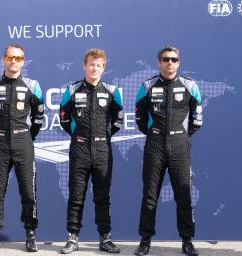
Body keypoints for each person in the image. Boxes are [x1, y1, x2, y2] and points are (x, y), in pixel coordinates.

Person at [134, 45, 203, 256]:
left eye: (173, 59)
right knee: (150, 194)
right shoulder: (146, 86)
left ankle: (187, 241)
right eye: (165, 59)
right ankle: (145, 240)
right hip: (154, 145)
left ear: (179, 62)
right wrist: (157, 133)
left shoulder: (190, 86)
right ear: (159, 62)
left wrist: (180, 135)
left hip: (180, 146)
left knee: (183, 194)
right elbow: (140, 120)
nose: (169, 63)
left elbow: (197, 120)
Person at [59, 48, 123, 254]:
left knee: (102, 196)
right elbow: (64, 119)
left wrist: (102, 137)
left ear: (104, 68)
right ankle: (72, 238)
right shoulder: (72, 90)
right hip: (79, 149)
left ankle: (105, 238)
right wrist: (78, 135)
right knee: (76, 196)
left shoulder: (112, 91)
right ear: (84, 66)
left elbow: (118, 121)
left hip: (102, 150)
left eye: (99, 65)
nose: (94, 68)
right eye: (91, 64)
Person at [0, 44, 44, 253]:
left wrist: (27, 136)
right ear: (3, 59)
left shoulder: (32, 85)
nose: (13, 61)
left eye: (18, 58)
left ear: (23, 61)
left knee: (28, 191)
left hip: (23, 143)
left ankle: (30, 235)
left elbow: (38, 118)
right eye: (10, 57)